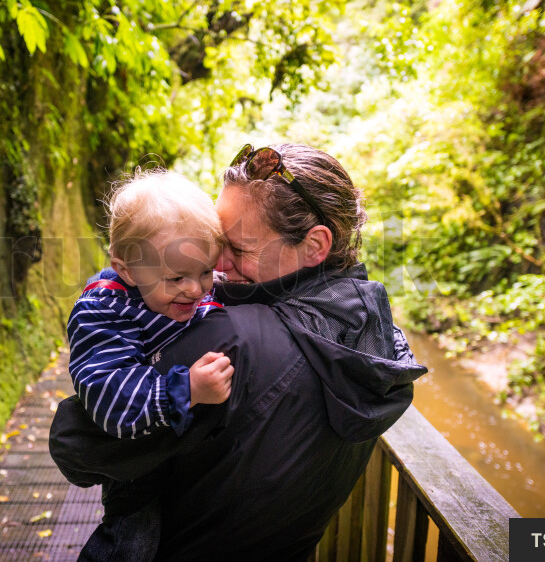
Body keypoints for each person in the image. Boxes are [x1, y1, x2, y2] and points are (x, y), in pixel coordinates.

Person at [51, 143, 427, 562]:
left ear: (314, 245)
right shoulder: (373, 338)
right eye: (214, 241)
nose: (215, 265)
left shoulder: (232, 339)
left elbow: (75, 446)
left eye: (238, 248)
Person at [67, 169, 235, 562]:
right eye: (177, 277)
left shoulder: (181, 288)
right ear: (127, 270)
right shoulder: (103, 311)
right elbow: (110, 399)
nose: (195, 289)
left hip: (180, 453)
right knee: (132, 545)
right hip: (136, 468)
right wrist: (187, 389)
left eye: (206, 272)